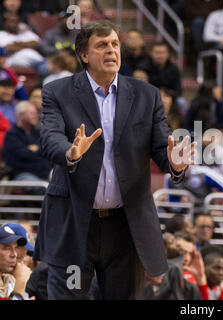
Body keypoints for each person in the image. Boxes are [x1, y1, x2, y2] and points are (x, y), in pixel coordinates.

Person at [34, 20, 195, 300]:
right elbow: (50, 138)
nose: (111, 50)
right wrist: (71, 152)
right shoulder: (57, 92)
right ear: (84, 55)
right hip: (74, 221)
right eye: (102, 45)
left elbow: (162, 146)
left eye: (115, 44)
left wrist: (175, 165)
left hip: (125, 226)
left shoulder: (147, 95)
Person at [3, 101, 50, 183]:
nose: (35, 116)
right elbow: (22, 155)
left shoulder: (36, 132)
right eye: (32, 113)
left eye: (35, 113)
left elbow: (46, 150)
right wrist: (37, 150)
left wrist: (35, 149)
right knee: (46, 189)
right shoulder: (11, 135)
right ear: (21, 115)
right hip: (22, 174)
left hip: (43, 173)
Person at [0, 224, 32, 300]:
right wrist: (18, 292)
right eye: (7, 248)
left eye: (15, 248)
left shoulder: (7, 280)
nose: (14, 254)